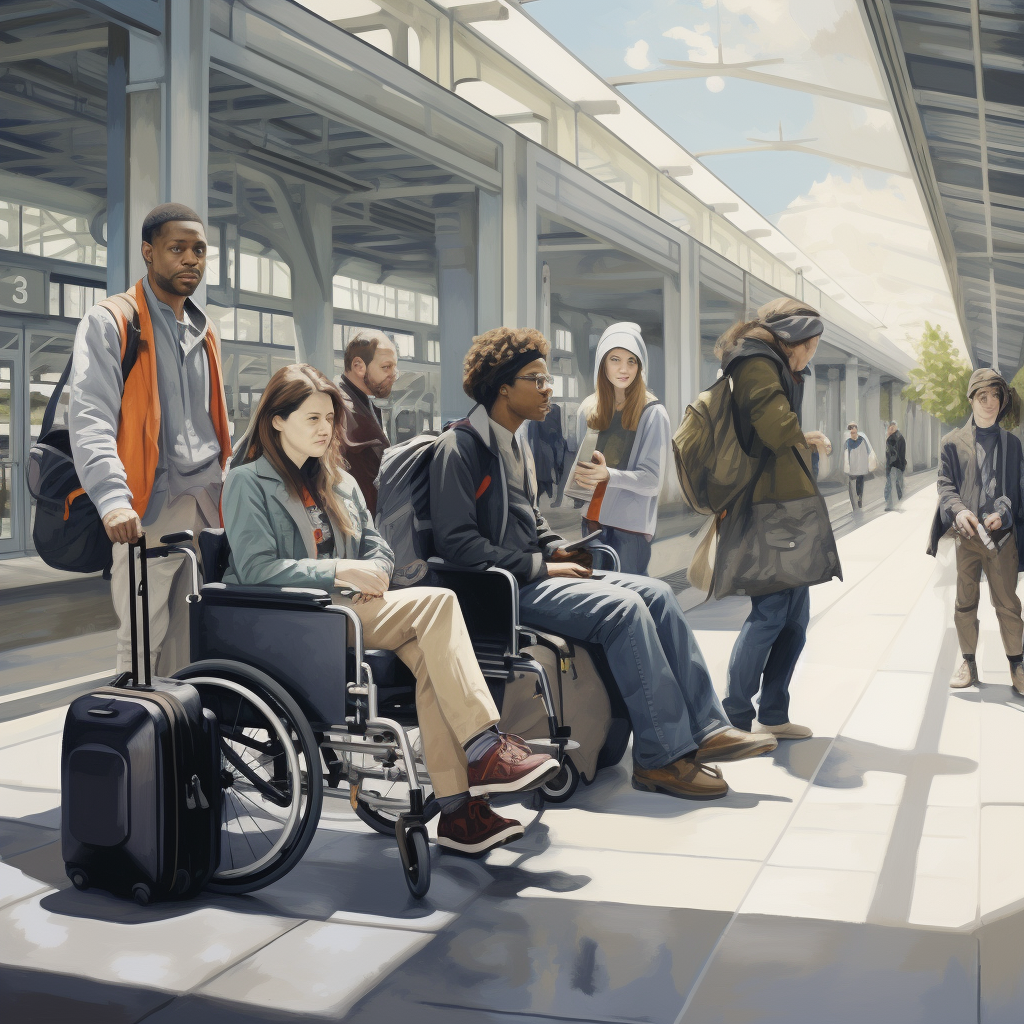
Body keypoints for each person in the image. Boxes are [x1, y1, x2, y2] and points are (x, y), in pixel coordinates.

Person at [221, 363, 560, 855]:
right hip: (296, 617)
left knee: (429, 661)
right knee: (439, 603)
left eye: (328, 420)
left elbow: (379, 545)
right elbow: (256, 569)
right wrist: (340, 571)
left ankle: (459, 814)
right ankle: (484, 748)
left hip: (353, 609)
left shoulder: (339, 483)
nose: (324, 429)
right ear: (277, 421)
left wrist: (376, 571)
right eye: (311, 418)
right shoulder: (248, 482)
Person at [429, 326, 777, 802]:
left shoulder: (514, 445)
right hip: (502, 590)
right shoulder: (461, 448)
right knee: (624, 609)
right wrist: (541, 565)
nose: (548, 388)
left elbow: (530, 522)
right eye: (536, 379)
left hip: (530, 573)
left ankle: (708, 728)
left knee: (653, 591)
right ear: (503, 387)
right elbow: (457, 545)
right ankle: (661, 757)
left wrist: (559, 550)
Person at [69, 203, 232, 674]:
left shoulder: (206, 331)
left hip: (208, 504)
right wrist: (112, 498)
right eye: (176, 248)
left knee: (196, 638)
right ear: (148, 252)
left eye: (198, 250)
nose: (190, 260)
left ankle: (185, 740)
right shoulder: (112, 322)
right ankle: (137, 735)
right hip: (149, 506)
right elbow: (91, 416)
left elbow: (214, 422)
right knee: (141, 640)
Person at [716, 298, 837, 740]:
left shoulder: (776, 365)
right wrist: (801, 435)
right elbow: (769, 424)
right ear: (793, 339)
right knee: (769, 614)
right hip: (766, 509)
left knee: (793, 618)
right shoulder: (754, 362)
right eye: (813, 345)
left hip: (785, 507)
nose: (813, 355)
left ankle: (773, 713)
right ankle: (733, 718)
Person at [926, 368, 1024, 695]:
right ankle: (968, 661)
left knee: (1008, 603)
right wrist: (959, 510)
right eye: (983, 396)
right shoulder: (951, 443)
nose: (991, 402)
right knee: (965, 602)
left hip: (1002, 538)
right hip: (967, 537)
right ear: (971, 399)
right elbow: (945, 485)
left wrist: (1003, 511)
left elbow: (1016, 489)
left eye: (996, 396)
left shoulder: (1012, 444)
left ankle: (1017, 664)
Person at [570, 322, 670, 576]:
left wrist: (609, 475)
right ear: (603, 363)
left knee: (631, 601)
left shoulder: (653, 413)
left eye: (632, 361)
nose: (624, 369)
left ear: (640, 365)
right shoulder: (593, 408)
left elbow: (652, 481)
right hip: (591, 521)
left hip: (628, 530)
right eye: (615, 359)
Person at [337, 330, 398, 516]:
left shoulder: (357, 401)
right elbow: (367, 485)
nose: (393, 375)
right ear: (358, 366)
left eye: (394, 368)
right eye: (386, 367)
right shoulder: (348, 411)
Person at [527, 404, 567, 505]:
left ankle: (552, 498)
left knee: (553, 469)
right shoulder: (550, 411)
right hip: (546, 444)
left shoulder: (554, 410)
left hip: (549, 443)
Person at [843, 422, 875, 510]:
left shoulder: (862, 440)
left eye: (854, 431)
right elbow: (845, 455)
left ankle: (859, 497)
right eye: (851, 432)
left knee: (860, 484)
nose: (853, 434)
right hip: (852, 468)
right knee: (852, 485)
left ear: (857, 430)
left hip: (861, 467)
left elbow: (868, 451)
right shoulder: (847, 442)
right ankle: (854, 501)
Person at [884, 420, 907, 511]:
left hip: (893, 465)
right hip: (899, 465)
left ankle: (889, 504)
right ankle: (897, 502)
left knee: (889, 485)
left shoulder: (891, 439)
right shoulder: (901, 437)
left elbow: (890, 454)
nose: (888, 430)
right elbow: (902, 453)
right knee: (898, 484)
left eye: (890, 428)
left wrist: (888, 466)